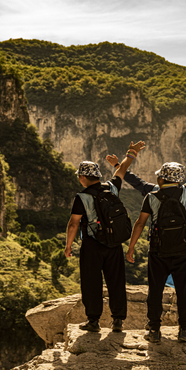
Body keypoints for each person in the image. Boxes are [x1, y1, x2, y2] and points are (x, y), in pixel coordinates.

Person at [127, 139, 186, 344]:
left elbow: (140, 223)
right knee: (182, 290)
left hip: (157, 251)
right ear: (179, 179)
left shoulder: (152, 197)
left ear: (161, 179)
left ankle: (154, 329)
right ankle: (185, 330)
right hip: (182, 250)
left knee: (155, 290)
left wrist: (131, 247)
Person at [64, 141, 145, 333]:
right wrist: (131, 153)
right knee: (116, 281)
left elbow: (74, 223)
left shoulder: (81, 197)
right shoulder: (112, 187)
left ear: (83, 177)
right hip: (114, 244)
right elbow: (122, 170)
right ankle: (118, 320)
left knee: (92, 282)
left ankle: (93, 321)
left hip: (92, 245)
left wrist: (68, 246)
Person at [105, 155, 186, 229]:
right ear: (179, 179)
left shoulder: (154, 191)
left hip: (158, 244)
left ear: (161, 179)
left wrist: (118, 166)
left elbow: (137, 182)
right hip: (183, 243)